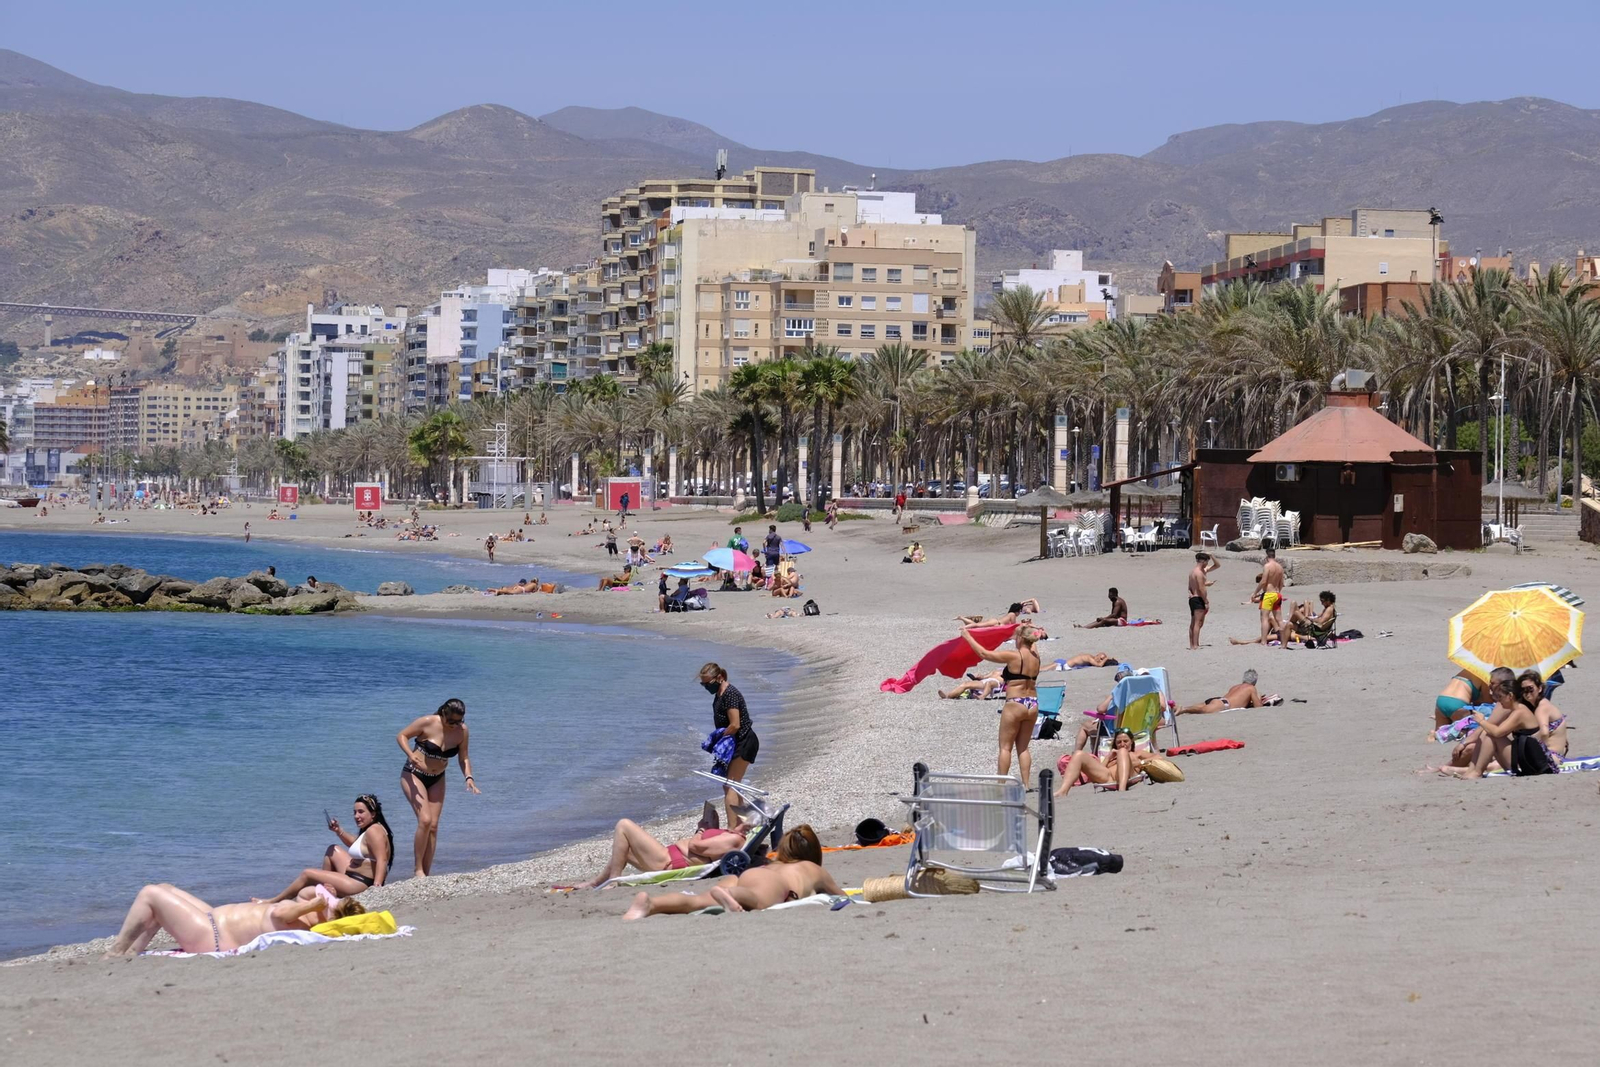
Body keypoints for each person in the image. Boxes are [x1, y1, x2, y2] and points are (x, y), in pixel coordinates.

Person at [622, 826, 842, 920]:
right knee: (757, 899)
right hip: (771, 883)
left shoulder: (776, 864)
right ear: (812, 853)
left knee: (697, 901)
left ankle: (651, 904)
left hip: (751, 875)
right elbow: (841, 896)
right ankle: (729, 895)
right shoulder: (813, 868)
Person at [105, 884, 364, 957]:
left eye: (334, 905)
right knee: (165, 888)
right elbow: (306, 892)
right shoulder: (309, 913)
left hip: (212, 936)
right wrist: (323, 895)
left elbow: (280, 914)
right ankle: (132, 951)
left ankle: (116, 952)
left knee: (150, 894)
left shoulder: (304, 924)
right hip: (212, 919)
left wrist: (315, 904)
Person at [397, 698, 480, 878]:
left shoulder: (462, 731)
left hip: (437, 778)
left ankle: (426, 873)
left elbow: (464, 757)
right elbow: (401, 736)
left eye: (459, 721)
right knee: (425, 820)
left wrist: (469, 777)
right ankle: (418, 869)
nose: (455, 725)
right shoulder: (427, 722)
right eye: (451, 721)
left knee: (433, 826)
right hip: (414, 774)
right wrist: (410, 754)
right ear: (443, 713)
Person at [260, 794, 394, 902]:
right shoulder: (371, 829)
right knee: (332, 850)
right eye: (354, 812)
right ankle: (327, 890)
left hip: (359, 883)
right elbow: (358, 845)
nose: (356, 816)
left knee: (307, 874)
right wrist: (339, 831)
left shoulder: (374, 831)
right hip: (354, 876)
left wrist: (377, 887)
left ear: (373, 814)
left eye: (361, 812)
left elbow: (382, 859)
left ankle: (273, 901)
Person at [1435, 667, 1558, 778]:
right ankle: (1473, 770)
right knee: (1487, 733)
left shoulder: (1520, 712)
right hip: (1526, 758)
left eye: (1501, 697)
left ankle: (1477, 771)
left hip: (1532, 764)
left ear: (1510, 696)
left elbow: (1497, 732)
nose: (1499, 701)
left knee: (1489, 734)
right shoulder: (1517, 709)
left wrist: (1481, 721)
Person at [577, 813, 757, 888]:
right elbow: (707, 851)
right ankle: (596, 882)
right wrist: (713, 826)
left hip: (667, 861)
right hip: (668, 857)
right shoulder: (732, 836)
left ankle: (614, 881)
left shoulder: (734, 839)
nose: (736, 815)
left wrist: (702, 829)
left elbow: (695, 847)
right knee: (622, 848)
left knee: (624, 825)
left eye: (740, 815)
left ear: (745, 825)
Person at [959, 622, 1042, 782]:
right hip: (1032, 703)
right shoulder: (1036, 657)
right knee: (1023, 748)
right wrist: (1030, 628)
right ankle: (1026, 785)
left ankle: (1001, 784)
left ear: (1020, 638)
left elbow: (984, 654)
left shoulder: (1013, 656)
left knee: (1005, 748)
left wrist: (967, 637)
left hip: (1015, 703)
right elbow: (1033, 641)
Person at [700, 663, 759, 824]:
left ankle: (733, 829)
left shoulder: (730, 694)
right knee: (733, 785)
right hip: (736, 743)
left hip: (744, 741)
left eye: (708, 683)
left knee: (730, 786)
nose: (706, 687)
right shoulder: (719, 694)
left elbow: (735, 725)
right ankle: (743, 824)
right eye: (703, 685)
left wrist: (717, 738)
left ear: (719, 678)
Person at [1054, 728, 1157, 799]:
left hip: (1130, 775)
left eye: (1125, 741)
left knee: (1122, 752)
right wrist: (1108, 758)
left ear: (1131, 741)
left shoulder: (1137, 753)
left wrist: (1139, 762)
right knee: (1078, 754)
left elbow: (1158, 757)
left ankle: (1121, 790)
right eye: (1119, 742)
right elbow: (1100, 769)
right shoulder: (1112, 755)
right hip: (1108, 778)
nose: (1122, 744)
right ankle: (1063, 791)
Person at [1233, 547, 1287, 646]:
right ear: (1274, 556)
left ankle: (1263, 641)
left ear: (1267, 556)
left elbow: (1263, 581)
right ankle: (1284, 643)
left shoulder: (1267, 566)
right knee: (1279, 619)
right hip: (1277, 594)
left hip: (1268, 595)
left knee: (1264, 618)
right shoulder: (1280, 567)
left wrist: (1255, 592)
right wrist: (1278, 592)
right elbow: (1281, 583)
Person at [1179, 669, 1280, 714]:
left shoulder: (1235, 687)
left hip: (1219, 699)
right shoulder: (1251, 688)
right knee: (1202, 710)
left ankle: (1179, 708)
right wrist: (1258, 697)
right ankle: (1183, 709)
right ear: (1255, 682)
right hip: (1224, 704)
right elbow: (1258, 707)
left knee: (1198, 707)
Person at [1188, 551, 1219, 650]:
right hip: (1198, 598)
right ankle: (1195, 645)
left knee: (1194, 623)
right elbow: (1201, 589)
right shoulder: (1199, 573)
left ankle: (1192, 644)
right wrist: (1205, 601)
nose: (1207, 564)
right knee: (1198, 623)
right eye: (1207, 562)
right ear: (1204, 561)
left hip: (1193, 598)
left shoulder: (1192, 572)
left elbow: (1190, 587)